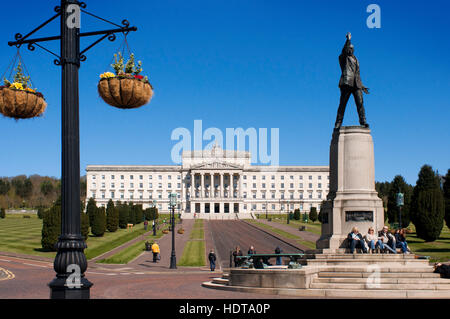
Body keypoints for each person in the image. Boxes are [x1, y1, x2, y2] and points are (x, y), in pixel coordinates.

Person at [334, 32, 370, 130]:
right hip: (347, 82)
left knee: (360, 103)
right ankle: (338, 123)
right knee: (342, 104)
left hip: (356, 85)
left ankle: (363, 121)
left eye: (352, 48)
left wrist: (362, 86)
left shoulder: (356, 59)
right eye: (349, 48)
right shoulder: (343, 58)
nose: (350, 49)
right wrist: (348, 40)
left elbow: (357, 74)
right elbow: (344, 50)